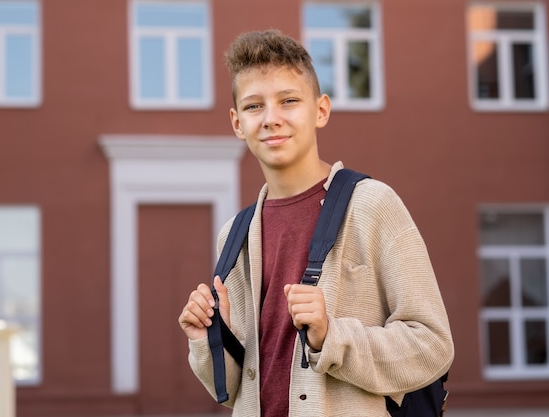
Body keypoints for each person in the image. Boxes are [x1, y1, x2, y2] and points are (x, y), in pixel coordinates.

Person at [178, 29, 454, 417]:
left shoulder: (372, 205)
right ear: (237, 123)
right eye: (254, 106)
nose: (271, 119)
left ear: (320, 110)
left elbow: (434, 347)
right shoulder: (235, 234)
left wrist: (332, 336)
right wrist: (210, 337)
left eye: (288, 101)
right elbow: (234, 386)